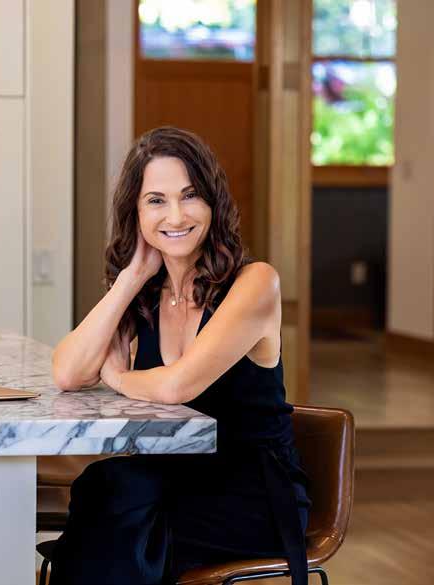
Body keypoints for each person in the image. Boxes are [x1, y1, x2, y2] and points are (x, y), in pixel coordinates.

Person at [49, 126, 310, 585]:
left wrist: (118, 378)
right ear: (135, 213)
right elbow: (68, 372)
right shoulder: (148, 291)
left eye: (190, 196)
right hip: (171, 479)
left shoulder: (255, 283)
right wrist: (131, 277)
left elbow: (177, 386)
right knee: (107, 488)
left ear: (212, 203)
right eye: (156, 200)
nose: (175, 215)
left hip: (251, 494)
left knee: (116, 510)